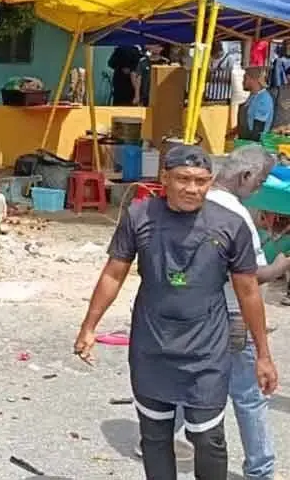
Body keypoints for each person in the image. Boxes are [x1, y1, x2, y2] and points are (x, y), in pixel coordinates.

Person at [74, 145, 277, 480]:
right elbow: (114, 273)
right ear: (164, 178)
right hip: (151, 348)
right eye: (183, 179)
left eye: (200, 181)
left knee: (208, 438)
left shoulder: (229, 224)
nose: (192, 188)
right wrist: (89, 326)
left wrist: (264, 355)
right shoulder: (140, 216)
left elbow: (248, 291)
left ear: (210, 181)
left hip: (206, 352)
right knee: (155, 438)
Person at [209, 145, 289, 480]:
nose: (257, 191)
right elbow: (250, 277)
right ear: (244, 176)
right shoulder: (236, 216)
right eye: (258, 184)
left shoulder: (196, 201)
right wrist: (280, 266)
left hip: (200, 313)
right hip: (231, 311)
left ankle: (164, 437)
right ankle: (260, 470)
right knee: (249, 396)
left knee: (197, 381)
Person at [231, 67, 275, 142]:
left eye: (245, 78)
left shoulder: (263, 99)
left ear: (253, 80)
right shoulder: (253, 96)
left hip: (254, 147)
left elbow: (258, 130)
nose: (242, 82)